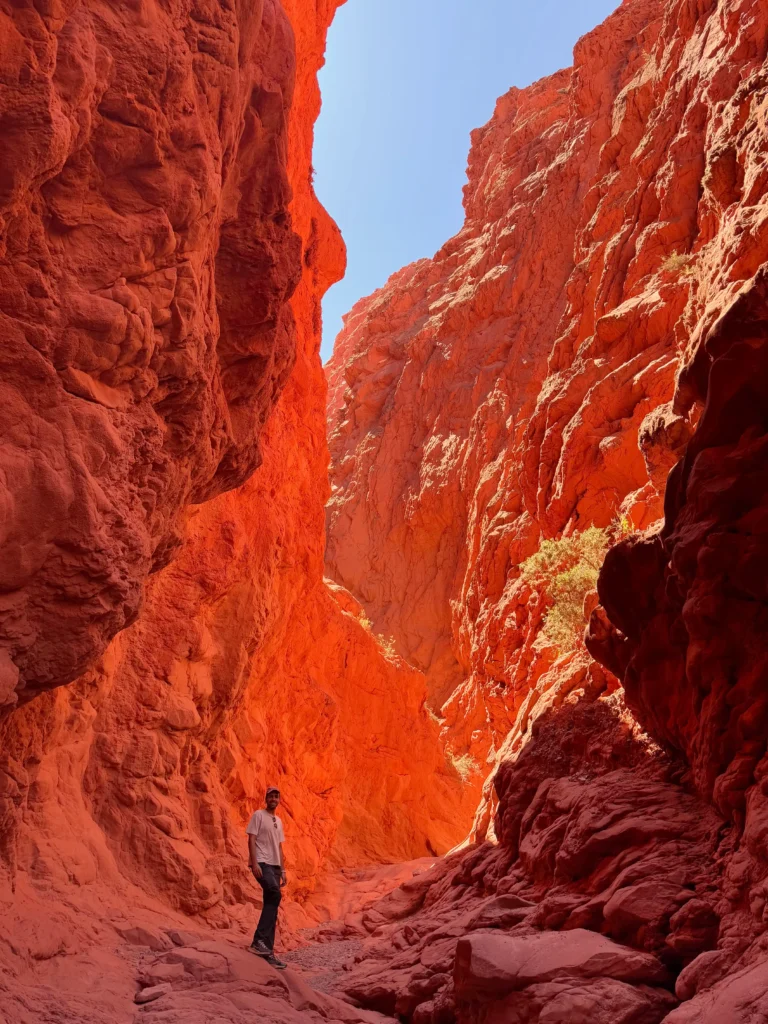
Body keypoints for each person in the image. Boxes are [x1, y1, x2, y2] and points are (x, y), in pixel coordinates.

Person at [246, 786, 288, 969]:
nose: (273, 799)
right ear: (266, 799)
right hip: (262, 862)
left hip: (276, 866)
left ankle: (267, 951)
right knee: (274, 893)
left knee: (272, 903)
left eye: (276, 796)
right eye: (271, 796)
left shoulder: (278, 820)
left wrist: (283, 870)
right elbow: (251, 839)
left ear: (279, 800)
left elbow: (279, 847)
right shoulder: (258, 815)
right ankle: (258, 941)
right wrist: (254, 863)